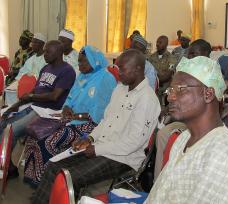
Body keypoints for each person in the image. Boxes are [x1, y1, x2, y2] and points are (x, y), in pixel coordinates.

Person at [31, 49, 161, 203]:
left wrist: (97, 148)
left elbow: (133, 142)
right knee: (54, 166)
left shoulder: (147, 99)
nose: (118, 73)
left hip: (123, 157)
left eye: (122, 69)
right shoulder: (120, 89)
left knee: (67, 177)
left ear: (138, 69)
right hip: (102, 146)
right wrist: (90, 138)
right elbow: (105, 121)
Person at [146, 56, 228, 203]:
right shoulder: (183, 139)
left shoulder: (223, 154)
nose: (170, 97)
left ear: (208, 94)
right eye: (170, 90)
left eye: (180, 89)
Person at [23, 45, 117, 187]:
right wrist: (67, 107)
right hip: (70, 119)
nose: (80, 65)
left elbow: (101, 113)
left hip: (90, 125)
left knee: (48, 141)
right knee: (34, 136)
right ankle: (36, 181)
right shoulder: (82, 76)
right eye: (79, 61)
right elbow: (70, 97)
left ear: (94, 61)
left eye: (84, 61)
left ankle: (50, 186)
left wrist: (75, 117)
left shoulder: (105, 79)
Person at [0, 40, 76, 179]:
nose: (45, 54)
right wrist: (12, 107)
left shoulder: (67, 71)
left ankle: (4, 169)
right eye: (45, 51)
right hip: (33, 105)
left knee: (12, 130)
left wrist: (31, 96)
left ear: (59, 53)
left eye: (48, 51)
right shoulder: (46, 68)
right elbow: (35, 90)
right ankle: (8, 166)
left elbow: (54, 97)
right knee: (3, 123)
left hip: (47, 111)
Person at [154, 39, 212, 180]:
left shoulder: (211, 75)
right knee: (161, 131)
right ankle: (159, 180)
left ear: (206, 54)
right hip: (184, 118)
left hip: (200, 124)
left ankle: (172, 178)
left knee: (168, 135)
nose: (189, 57)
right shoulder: (186, 72)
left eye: (193, 54)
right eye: (189, 54)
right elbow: (176, 95)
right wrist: (168, 108)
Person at [148, 35, 176, 102]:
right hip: (153, 90)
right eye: (157, 42)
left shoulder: (171, 58)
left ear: (166, 44)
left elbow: (168, 74)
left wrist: (156, 79)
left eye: (160, 42)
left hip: (166, 90)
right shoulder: (151, 57)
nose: (157, 44)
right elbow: (148, 73)